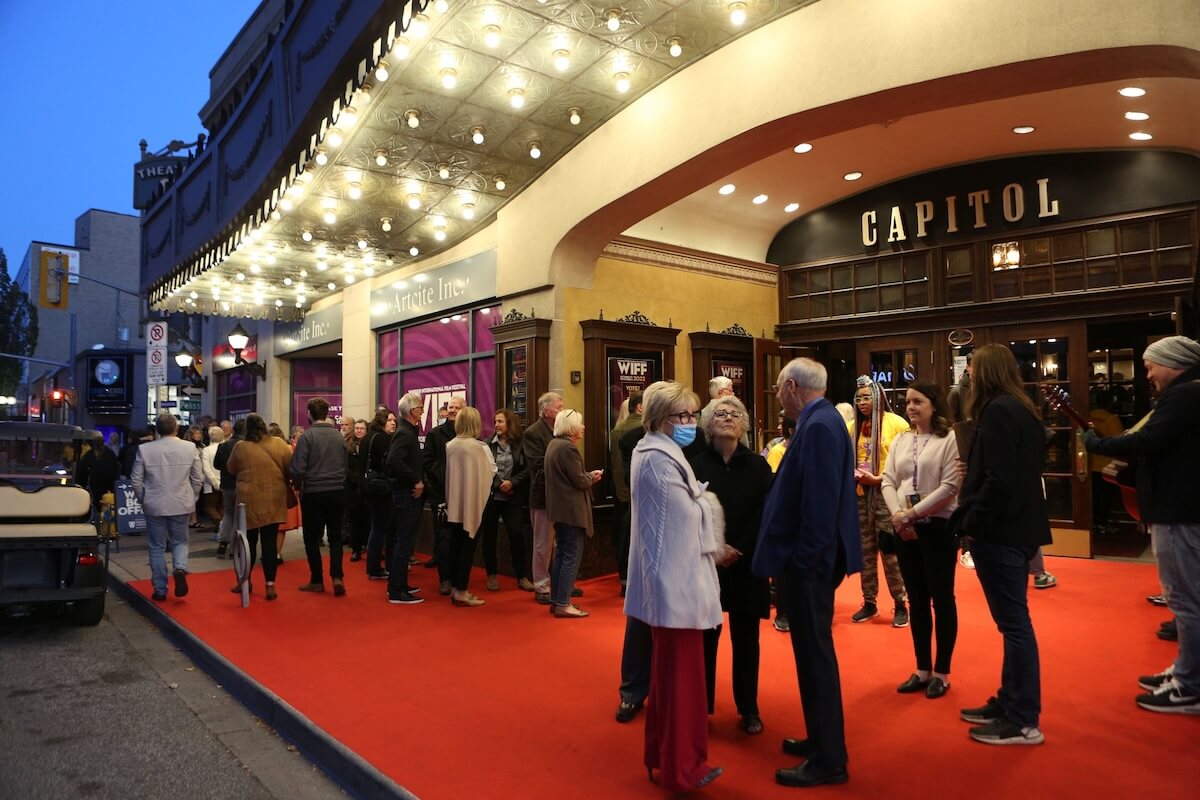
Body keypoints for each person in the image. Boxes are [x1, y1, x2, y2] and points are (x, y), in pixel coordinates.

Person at [754, 358, 861, 788]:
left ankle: (829, 758)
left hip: (809, 566)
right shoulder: (825, 419)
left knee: (814, 657)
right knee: (813, 655)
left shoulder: (817, 426)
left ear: (792, 387)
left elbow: (817, 508)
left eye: (779, 387)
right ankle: (822, 740)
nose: (777, 394)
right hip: (813, 562)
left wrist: (801, 565)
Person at [1084, 335, 1200, 714]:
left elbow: (1147, 439)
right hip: (1180, 508)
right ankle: (1186, 672)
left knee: (1185, 599)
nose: (1147, 373)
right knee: (1185, 598)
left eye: (1151, 366)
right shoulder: (1186, 394)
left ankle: (1189, 685)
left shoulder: (1184, 395)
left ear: (1173, 363)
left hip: (1179, 510)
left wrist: (1099, 446)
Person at [625, 381, 728, 791]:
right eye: (681, 416)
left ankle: (664, 757)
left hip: (672, 581)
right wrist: (707, 503)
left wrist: (697, 500)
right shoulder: (657, 458)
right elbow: (683, 521)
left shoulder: (661, 452)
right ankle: (682, 768)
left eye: (691, 415)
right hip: (676, 584)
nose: (690, 423)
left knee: (670, 681)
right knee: (681, 685)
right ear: (658, 418)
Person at [949, 344, 1051, 745]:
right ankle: (1010, 702)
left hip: (1002, 533)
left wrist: (970, 522)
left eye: (972, 369)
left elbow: (999, 480)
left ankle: (1023, 718)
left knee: (1015, 625)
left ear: (986, 372)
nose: (968, 375)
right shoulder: (1020, 408)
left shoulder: (997, 411)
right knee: (1013, 625)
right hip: (1018, 530)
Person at [690, 394, 773, 736]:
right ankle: (701, 704)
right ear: (708, 423)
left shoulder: (758, 465)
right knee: (705, 637)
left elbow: (765, 513)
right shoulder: (693, 463)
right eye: (720, 413)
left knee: (747, 639)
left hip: (746, 560)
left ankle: (748, 707)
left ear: (744, 424)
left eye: (735, 413)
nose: (727, 417)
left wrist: (740, 547)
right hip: (707, 562)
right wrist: (714, 547)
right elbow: (691, 513)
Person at [881, 380, 962, 700]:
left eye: (918, 402)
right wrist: (899, 515)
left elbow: (950, 486)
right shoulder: (901, 440)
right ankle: (922, 668)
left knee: (942, 599)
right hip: (904, 529)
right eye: (908, 402)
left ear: (934, 404)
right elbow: (888, 480)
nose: (911, 407)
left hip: (937, 528)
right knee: (915, 599)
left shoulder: (950, 439)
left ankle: (942, 671)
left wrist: (911, 513)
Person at [848, 375, 910, 627]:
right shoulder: (852, 426)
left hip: (887, 493)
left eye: (867, 397)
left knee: (890, 550)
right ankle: (870, 601)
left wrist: (879, 478)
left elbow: (906, 464)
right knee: (865, 550)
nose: (863, 402)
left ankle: (900, 603)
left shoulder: (897, 424)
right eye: (859, 398)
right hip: (861, 494)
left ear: (878, 397)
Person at [132, 413, 204, 602]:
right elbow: (198, 478)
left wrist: (143, 498)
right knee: (180, 541)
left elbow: (136, 479)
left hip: (154, 503)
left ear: (157, 429)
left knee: (156, 546)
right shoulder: (189, 448)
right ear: (176, 428)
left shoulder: (145, 450)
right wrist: (193, 496)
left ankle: (160, 589)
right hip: (181, 501)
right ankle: (180, 567)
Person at [227, 413, 294, 601]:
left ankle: (245, 581)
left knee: (248, 543)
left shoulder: (241, 447)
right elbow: (290, 467)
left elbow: (231, 468)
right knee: (269, 544)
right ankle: (270, 585)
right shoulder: (279, 444)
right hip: (273, 499)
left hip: (248, 502)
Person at [545, 408, 602, 617]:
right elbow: (578, 481)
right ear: (571, 427)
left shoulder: (554, 444)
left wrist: (585, 476)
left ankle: (557, 599)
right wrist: (592, 478)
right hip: (571, 511)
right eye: (580, 423)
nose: (583, 427)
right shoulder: (568, 448)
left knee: (561, 556)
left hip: (560, 510)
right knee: (570, 556)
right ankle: (563, 602)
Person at [291, 397, 348, 596]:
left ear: (309, 413)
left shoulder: (307, 437)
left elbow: (298, 468)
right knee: (335, 536)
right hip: (337, 490)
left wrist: (298, 486)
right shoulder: (339, 436)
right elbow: (345, 464)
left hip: (314, 492)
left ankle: (317, 579)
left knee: (312, 537)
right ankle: (337, 576)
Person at [444, 407, 496, 607]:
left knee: (456, 546)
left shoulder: (450, 446)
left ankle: (456, 588)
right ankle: (462, 591)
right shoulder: (480, 447)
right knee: (468, 548)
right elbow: (491, 471)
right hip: (475, 504)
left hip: (456, 504)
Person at [480, 408, 533, 591]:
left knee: (516, 535)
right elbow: (485, 467)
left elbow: (527, 469)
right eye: (495, 422)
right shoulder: (488, 444)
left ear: (510, 424)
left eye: (500, 422)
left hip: (513, 497)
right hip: (492, 497)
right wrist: (499, 484)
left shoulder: (520, 443)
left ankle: (522, 576)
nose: (496, 425)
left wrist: (512, 483)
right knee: (490, 536)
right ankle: (492, 575)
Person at [384, 394, 425, 605]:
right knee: (403, 542)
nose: (423, 411)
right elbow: (394, 461)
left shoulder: (407, 431)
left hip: (406, 493)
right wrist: (416, 480)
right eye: (420, 407)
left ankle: (399, 584)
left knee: (404, 541)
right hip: (406, 494)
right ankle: (396, 590)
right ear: (411, 411)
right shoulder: (404, 433)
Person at [524, 391, 564, 604]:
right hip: (542, 496)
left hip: (561, 497)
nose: (562, 410)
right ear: (547, 410)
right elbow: (536, 464)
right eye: (559, 406)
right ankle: (541, 585)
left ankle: (560, 583)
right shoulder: (533, 432)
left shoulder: (560, 431)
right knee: (542, 544)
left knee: (560, 543)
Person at [424, 395, 463, 594]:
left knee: (461, 538)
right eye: (450, 407)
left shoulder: (469, 434)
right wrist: (441, 482)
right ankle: (445, 579)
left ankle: (459, 577)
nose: (453, 410)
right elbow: (428, 463)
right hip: (442, 494)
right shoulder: (435, 434)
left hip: (464, 494)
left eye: (457, 407)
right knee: (444, 538)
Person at [609, 389, 643, 596]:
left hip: (621, 489)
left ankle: (624, 578)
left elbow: (616, 464)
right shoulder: (642, 430)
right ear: (640, 407)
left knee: (623, 536)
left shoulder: (617, 429)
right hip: (635, 491)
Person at [363, 408, 397, 581]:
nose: (393, 423)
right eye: (390, 420)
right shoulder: (384, 439)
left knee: (376, 528)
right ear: (382, 421)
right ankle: (376, 568)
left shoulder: (368, 437)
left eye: (394, 420)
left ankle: (373, 566)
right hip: (382, 488)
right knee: (380, 529)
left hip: (370, 487)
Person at [213, 418, 245, 557]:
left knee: (228, 513)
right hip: (241, 484)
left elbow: (217, 465)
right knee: (239, 516)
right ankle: (234, 547)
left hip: (226, 485)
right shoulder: (246, 446)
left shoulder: (223, 446)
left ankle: (223, 541)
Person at [343, 419, 369, 562]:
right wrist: (357, 481)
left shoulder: (370, 444)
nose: (359, 430)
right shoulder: (348, 445)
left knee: (367, 519)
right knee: (354, 520)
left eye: (362, 428)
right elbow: (346, 468)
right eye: (357, 428)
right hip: (352, 488)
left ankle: (368, 545)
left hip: (367, 488)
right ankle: (356, 549)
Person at [75, 431, 119, 512]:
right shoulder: (110, 453)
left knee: (96, 502)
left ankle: (97, 517)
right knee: (107, 502)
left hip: (95, 483)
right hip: (109, 484)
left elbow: (81, 469)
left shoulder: (90, 454)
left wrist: (81, 484)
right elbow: (116, 468)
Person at [200, 426, 225, 534]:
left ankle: (220, 526)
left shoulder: (206, 450)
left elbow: (206, 468)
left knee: (209, 507)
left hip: (210, 484)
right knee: (222, 507)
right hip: (224, 482)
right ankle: (221, 529)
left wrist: (215, 483)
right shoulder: (226, 447)